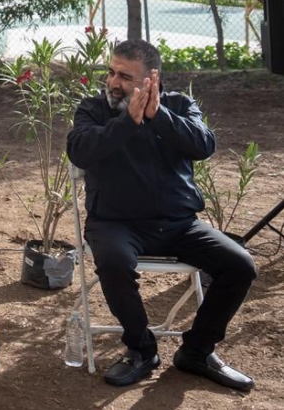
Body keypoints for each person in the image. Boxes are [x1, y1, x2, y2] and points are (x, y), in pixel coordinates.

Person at [67, 39, 256, 391]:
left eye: (125, 76)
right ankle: (141, 350)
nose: (113, 82)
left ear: (151, 79)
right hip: (115, 223)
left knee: (240, 265)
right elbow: (80, 150)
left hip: (179, 225)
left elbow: (204, 145)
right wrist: (128, 121)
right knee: (113, 262)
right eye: (111, 72)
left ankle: (197, 351)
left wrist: (158, 117)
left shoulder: (179, 105)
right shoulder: (93, 109)